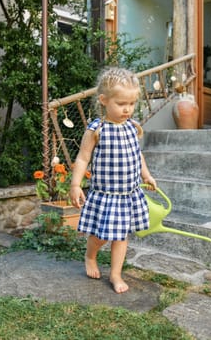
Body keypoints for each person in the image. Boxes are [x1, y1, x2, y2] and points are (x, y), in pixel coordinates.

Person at [69, 67, 157, 294]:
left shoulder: (132, 127)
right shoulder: (96, 129)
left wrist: (146, 175)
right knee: (99, 236)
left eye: (131, 103)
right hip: (105, 195)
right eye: (121, 104)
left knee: (121, 237)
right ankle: (90, 256)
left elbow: (138, 155)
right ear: (104, 100)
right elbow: (82, 158)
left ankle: (116, 274)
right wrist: (76, 184)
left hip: (127, 195)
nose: (127, 109)